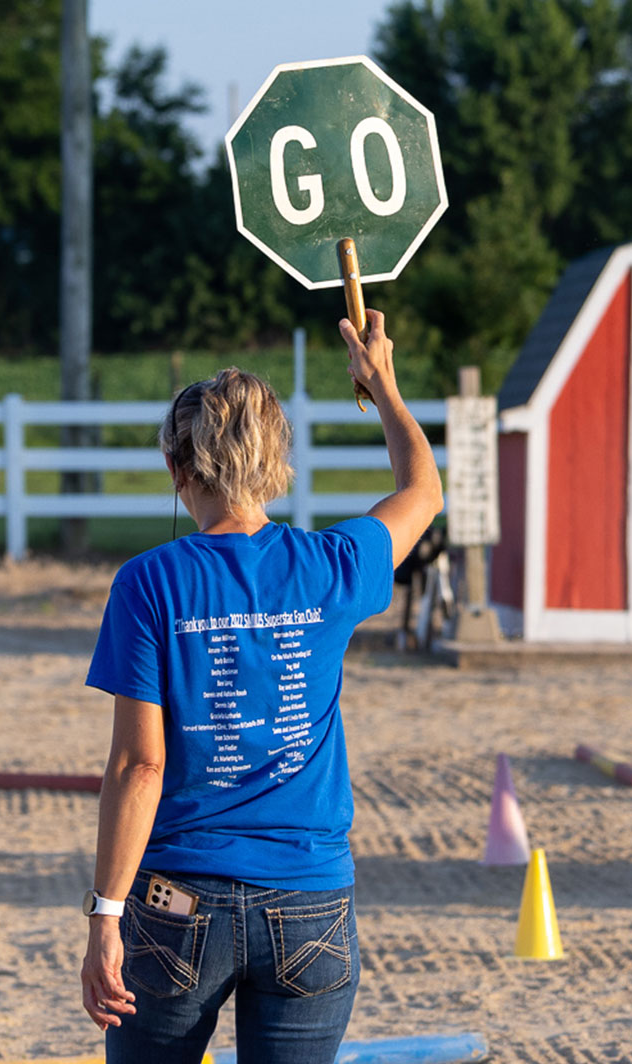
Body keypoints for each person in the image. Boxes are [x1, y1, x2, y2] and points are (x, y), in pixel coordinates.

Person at [78, 311, 441, 1062]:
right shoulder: (332, 565)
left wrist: (105, 914)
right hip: (310, 897)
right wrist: (384, 387)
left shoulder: (149, 583)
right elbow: (423, 491)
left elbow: (139, 767)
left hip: (179, 900)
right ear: (276, 460)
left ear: (180, 472)